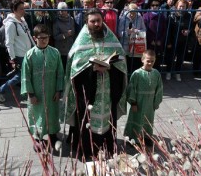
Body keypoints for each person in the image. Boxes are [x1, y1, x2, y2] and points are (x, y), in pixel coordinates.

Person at [64, 9, 127, 159]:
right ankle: (88, 150)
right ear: (87, 22)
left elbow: (122, 62)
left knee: (108, 117)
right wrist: (92, 69)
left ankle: (108, 147)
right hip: (88, 90)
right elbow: (74, 69)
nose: (97, 24)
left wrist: (110, 67)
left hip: (108, 89)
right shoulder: (81, 41)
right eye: (93, 21)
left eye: (99, 20)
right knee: (86, 119)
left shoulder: (111, 39)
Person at [21, 24, 64, 147]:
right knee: (37, 115)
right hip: (36, 94)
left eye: (46, 37)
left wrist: (58, 90)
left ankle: (53, 135)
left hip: (52, 92)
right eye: (41, 38)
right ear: (35, 38)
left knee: (52, 113)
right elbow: (26, 77)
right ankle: (37, 138)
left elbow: (60, 73)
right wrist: (31, 94)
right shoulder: (29, 55)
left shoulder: (55, 53)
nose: (44, 40)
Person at [0, 0, 35, 103]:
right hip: (20, 55)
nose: (23, 10)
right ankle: (0, 90)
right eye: (21, 9)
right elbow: (9, 42)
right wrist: (13, 58)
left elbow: (28, 35)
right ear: (14, 10)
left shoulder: (22, 20)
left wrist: (34, 47)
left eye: (23, 8)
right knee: (20, 76)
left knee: (23, 75)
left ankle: (27, 93)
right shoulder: (11, 24)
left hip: (28, 52)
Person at [124, 50, 163, 149]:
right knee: (136, 119)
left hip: (150, 103)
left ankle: (147, 137)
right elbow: (131, 88)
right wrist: (133, 103)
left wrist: (156, 101)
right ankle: (133, 138)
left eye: (152, 61)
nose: (150, 63)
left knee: (148, 120)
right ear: (142, 60)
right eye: (148, 61)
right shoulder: (137, 74)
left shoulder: (156, 73)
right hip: (139, 102)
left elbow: (159, 88)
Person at [52, 2, 76, 70]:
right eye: (59, 10)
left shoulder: (71, 19)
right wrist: (66, 35)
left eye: (63, 10)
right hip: (61, 49)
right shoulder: (56, 21)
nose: (61, 12)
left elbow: (73, 31)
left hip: (70, 47)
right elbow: (55, 36)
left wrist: (71, 33)